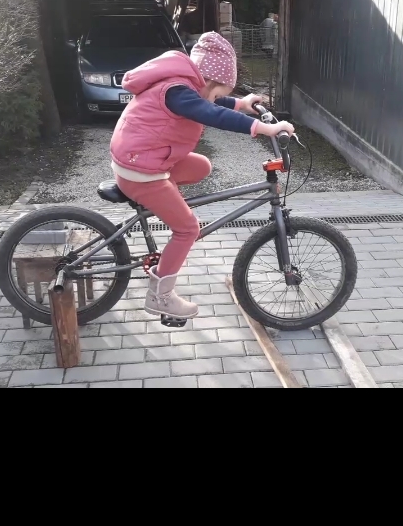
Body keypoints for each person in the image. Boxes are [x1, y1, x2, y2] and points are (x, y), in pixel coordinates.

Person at [110, 32, 295, 319]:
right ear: (207, 81)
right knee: (188, 229)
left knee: (201, 166)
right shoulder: (176, 91)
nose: (218, 98)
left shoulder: (183, 85)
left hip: (144, 158)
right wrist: (265, 128)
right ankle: (160, 297)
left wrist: (241, 103)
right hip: (140, 170)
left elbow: (208, 102)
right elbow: (210, 112)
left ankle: (165, 201)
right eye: (219, 93)